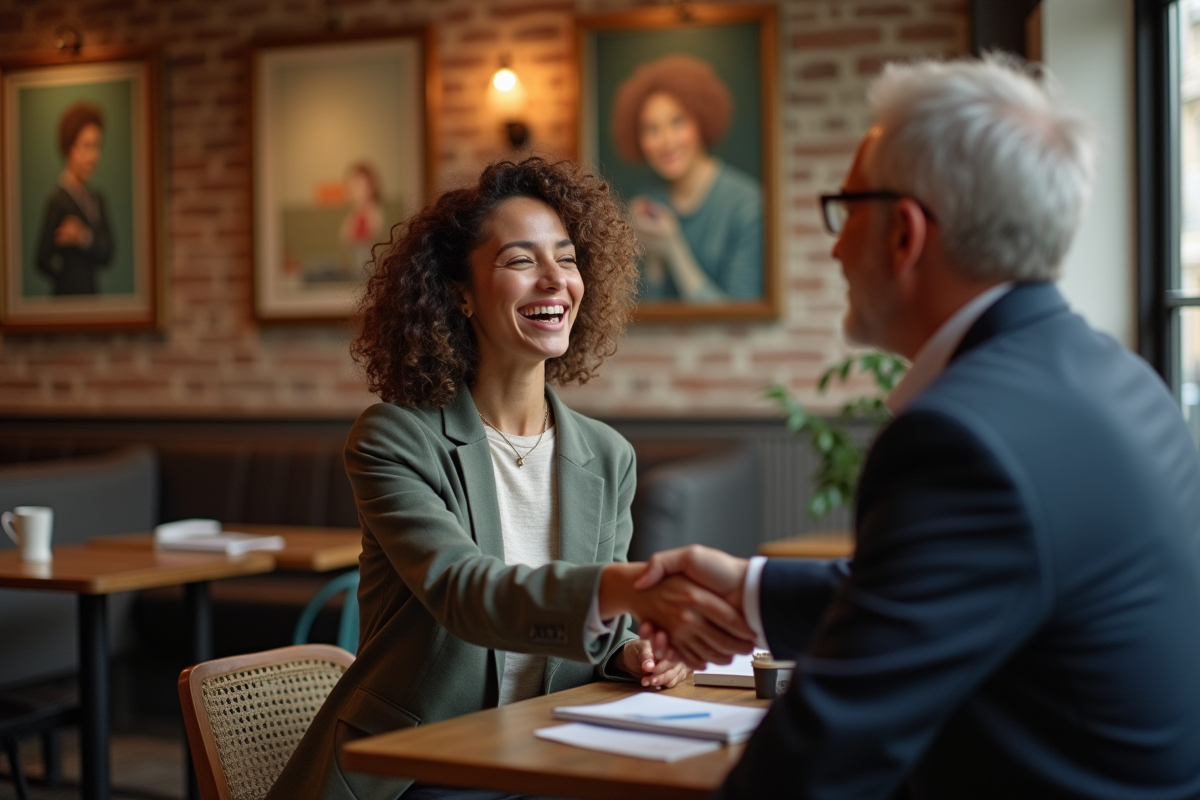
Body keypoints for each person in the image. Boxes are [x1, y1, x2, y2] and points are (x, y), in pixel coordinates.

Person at [636, 56, 1200, 798]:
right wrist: (749, 588)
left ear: (904, 233)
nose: (835, 247)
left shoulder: (961, 437)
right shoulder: (1118, 375)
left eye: (846, 210)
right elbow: (940, 594)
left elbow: (820, 758)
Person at [267, 157, 754, 800]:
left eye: (569, 258)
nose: (555, 279)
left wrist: (634, 653)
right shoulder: (394, 438)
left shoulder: (609, 457)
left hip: (552, 757)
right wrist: (630, 589)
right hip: (420, 770)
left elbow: (598, 632)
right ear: (460, 294)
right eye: (521, 261)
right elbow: (466, 594)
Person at [609, 54, 762, 302]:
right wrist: (651, 255)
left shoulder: (748, 205)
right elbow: (644, 317)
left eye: (677, 122)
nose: (667, 141)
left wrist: (673, 248)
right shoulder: (647, 200)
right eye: (651, 129)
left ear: (701, 121)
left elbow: (739, 321)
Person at [35, 101, 114, 295]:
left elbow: (108, 252)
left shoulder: (96, 199)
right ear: (70, 148)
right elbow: (41, 259)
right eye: (87, 146)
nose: (94, 155)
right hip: (67, 304)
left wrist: (83, 237)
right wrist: (65, 281)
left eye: (97, 146)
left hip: (92, 298)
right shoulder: (58, 200)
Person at [339, 161, 385, 275]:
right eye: (352, 186)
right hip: (357, 269)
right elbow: (345, 237)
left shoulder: (373, 211)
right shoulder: (354, 213)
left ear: (370, 188)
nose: (354, 190)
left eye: (358, 186)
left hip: (369, 270)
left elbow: (371, 237)